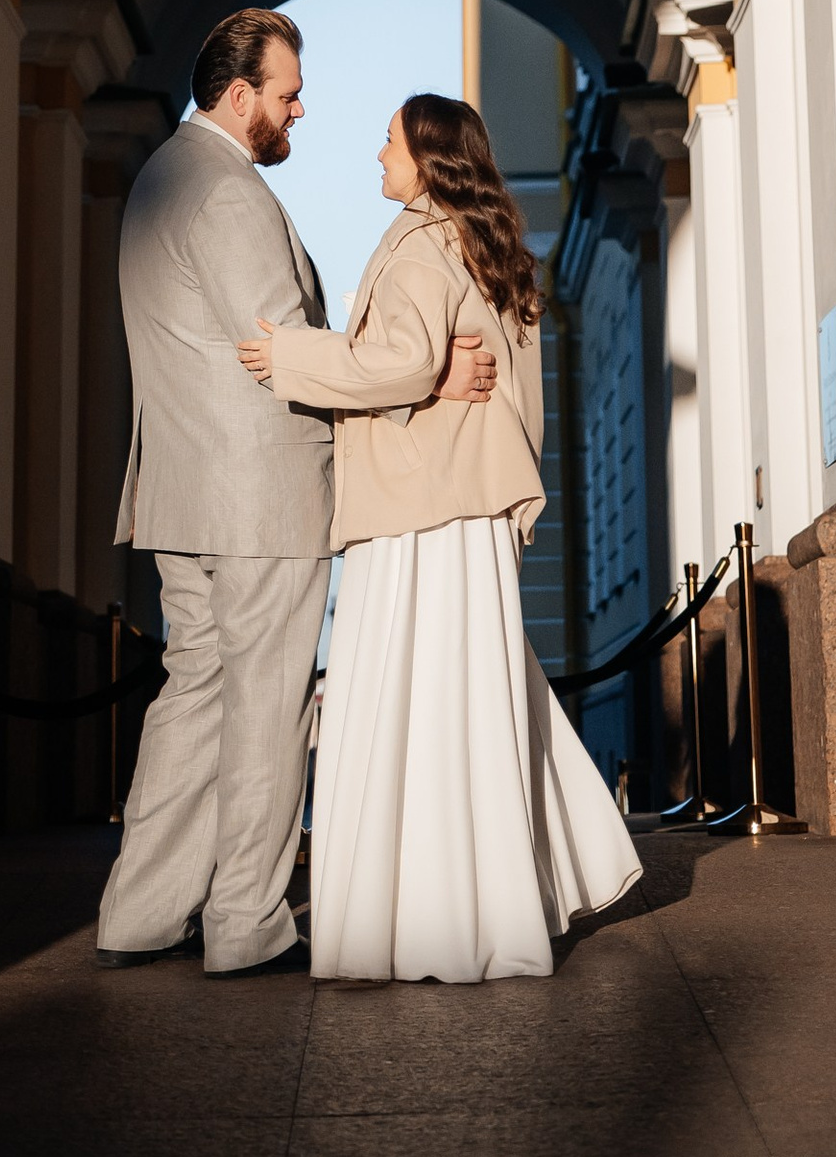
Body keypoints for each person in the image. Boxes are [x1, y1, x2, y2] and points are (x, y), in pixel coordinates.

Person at [96, 8, 499, 977]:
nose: (299, 111)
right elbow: (279, 351)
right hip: (259, 493)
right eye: (285, 95)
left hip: (182, 492)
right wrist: (426, 377)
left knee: (192, 694)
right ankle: (245, 919)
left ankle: (140, 911)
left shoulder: (159, 178)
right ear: (239, 99)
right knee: (269, 705)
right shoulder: (226, 195)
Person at [240, 91, 640, 981]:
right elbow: (485, 378)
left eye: (388, 143)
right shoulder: (488, 243)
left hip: (419, 506)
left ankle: (423, 919)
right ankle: (482, 907)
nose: (376, 157)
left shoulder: (423, 243)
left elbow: (405, 362)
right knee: (465, 702)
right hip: (468, 506)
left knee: (405, 702)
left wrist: (290, 354)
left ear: (427, 157)